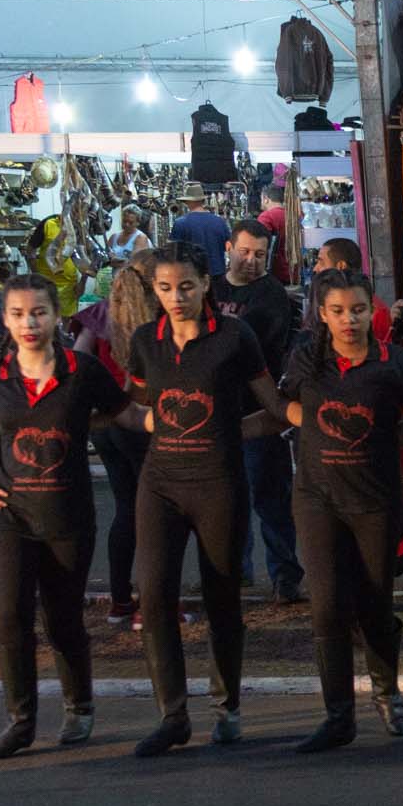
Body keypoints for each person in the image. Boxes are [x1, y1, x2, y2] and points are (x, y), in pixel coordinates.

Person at [0, 276, 138, 759]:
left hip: (67, 516)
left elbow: (124, 413)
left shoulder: (83, 369)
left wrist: (174, 421)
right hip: (7, 511)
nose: (29, 323)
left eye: (38, 312)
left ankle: (79, 707)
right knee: (9, 618)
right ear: (4, 319)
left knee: (62, 619)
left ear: (57, 315)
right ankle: (20, 722)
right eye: (18, 314)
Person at [122, 243, 285, 757]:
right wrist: (146, 420)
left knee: (222, 598)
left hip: (219, 484)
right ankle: (172, 716)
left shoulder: (236, 337)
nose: (176, 297)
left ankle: (226, 707)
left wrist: (234, 431)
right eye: (165, 288)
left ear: (206, 284)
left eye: (186, 286)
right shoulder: (145, 341)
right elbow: (135, 407)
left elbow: (276, 409)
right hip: (160, 485)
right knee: (154, 596)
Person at [276, 270, 403, 752]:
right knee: (326, 608)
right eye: (338, 311)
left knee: (374, 606)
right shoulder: (307, 358)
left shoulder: (397, 364)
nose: (349, 320)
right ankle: (338, 716)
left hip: (375, 501)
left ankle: (387, 693)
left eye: (358, 310)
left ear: (372, 310)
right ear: (322, 314)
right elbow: (283, 402)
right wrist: (310, 426)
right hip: (317, 499)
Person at [212, 218, 304, 603]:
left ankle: (285, 576)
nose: (251, 261)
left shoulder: (272, 294)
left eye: (260, 255)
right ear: (229, 249)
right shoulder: (210, 287)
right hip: (215, 411)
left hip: (259, 411)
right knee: (225, 501)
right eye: (245, 252)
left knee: (271, 498)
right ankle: (236, 573)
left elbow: (254, 344)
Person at [71, 251, 159, 625]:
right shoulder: (152, 322)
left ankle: (121, 599)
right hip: (139, 420)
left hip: (106, 424)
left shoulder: (99, 315)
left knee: (126, 508)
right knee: (153, 512)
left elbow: (76, 363)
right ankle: (153, 601)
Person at [167, 183, 231, 268]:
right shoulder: (219, 222)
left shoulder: (180, 223)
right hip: (217, 271)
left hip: (193, 272)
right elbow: (229, 246)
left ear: (188, 202)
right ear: (202, 201)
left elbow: (173, 251)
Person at [256, 186, 289, 283]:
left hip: (275, 273)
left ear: (266, 199)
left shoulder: (266, 217)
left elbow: (259, 245)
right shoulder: (293, 215)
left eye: (261, 199)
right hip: (295, 272)